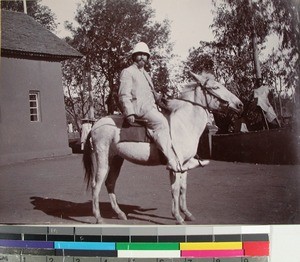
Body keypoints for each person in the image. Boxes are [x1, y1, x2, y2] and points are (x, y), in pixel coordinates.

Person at [118, 42, 208, 172]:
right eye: (139, 54)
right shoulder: (127, 72)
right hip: (140, 109)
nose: (142, 57)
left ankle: (186, 156)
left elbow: (152, 95)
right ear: (134, 56)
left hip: (151, 107)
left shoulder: (146, 74)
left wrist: (164, 101)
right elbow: (123, 94)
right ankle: (172, 161)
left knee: (173, 121)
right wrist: (129, 112)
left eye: (145, 55)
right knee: (162, 123)